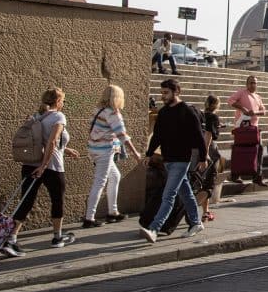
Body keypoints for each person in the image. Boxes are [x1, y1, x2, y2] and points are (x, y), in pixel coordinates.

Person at [2, 87, 81, 257]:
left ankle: (11, 239)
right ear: (58, 101)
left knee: (26, 201)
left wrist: (67, 150)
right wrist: (44, 166)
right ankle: (57, 237)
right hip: (51, 166)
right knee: (57, 199)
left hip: (30, 164)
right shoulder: (59, 116)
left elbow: (43, 141)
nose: (64, 104)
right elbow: (51, 142)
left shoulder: (37, 116)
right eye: (63, 101)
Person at [139, 79, 207, 243]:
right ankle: (196, 223)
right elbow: (157, 136)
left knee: (168, 195)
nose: (163, 96)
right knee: (186, 192)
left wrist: (203, 157)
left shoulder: (187, 111)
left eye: (166, 92)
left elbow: (199, 137)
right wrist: (148, 154)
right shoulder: (163, 113)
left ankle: (154, 228)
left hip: (182, 160)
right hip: (168, 159)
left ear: (176, 92)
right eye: (162, 93)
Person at [82, 85, 143, 228]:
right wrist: (135, 153)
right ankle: (89, 218)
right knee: (100, 182)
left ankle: (113, 212)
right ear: (118, 98)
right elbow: (122, 135)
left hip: (95, 149)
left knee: (115, 176)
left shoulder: (98, 110)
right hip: (105, 151)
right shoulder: (113, 113)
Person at [227, 75, 267, 186]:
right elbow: (230, 101)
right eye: (251, 82)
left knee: (259, 150)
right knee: (239, 151)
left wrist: (255, 113)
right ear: (247, 84)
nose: (253, 84)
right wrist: (243, 109)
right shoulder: (241, 93)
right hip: (242, 128)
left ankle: (257, 176)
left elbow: (263, 111)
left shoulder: (258, 97)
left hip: (254, 129)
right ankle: (235, 175)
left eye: (255, 83)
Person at [199, 95, 222, 222]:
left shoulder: (202, 115)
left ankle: (206, 211)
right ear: (216, 105)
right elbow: (209, 134)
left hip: (198, 148)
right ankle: (199, 207)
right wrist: (206, 153)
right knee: (209, 181)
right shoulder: (213, 117)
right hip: (210, 149)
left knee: (203, 181)